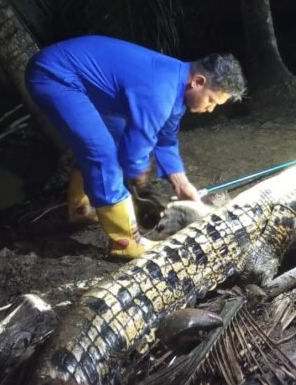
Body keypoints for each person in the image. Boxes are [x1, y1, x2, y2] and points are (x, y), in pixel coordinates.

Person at [26, 36, 246, 258]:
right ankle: (125, 243)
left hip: (81, 80)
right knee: (105, 155)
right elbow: (134, 151)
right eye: (211, 101)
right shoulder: (161, 90)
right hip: (54, 75)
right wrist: (142, 179)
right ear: (198, 82)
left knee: (114, 138)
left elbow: (165, 139)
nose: (210, 109)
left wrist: (182, 185)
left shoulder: (176, 87)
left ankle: (81, 208)